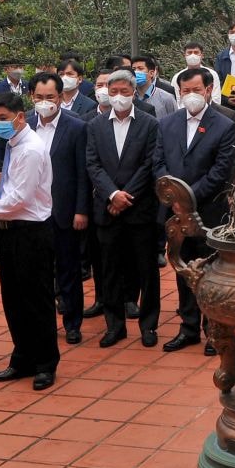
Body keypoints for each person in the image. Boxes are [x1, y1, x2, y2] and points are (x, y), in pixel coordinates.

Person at [0, 94, 59, 390]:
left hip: (31, 232)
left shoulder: (32, 149)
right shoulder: (14, 146)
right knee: (13, 298)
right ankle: (22, 357)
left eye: (3, 117)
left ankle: (46, 363)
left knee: (37, 300)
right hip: (10, 230)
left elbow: (20, 198)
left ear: (20, 116)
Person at [155, 67, 235, 354]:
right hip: (175, 212)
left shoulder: (224, 124)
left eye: (196, 89)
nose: (191, 95)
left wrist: (188, 198)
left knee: (211, 270)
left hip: (208, 211)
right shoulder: (167, 124)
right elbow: (158, 164)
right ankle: (188, 327)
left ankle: (214, 330)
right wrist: (173, 198)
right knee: (183, 268)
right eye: (185, 90)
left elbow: (220, 172)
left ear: (208, 90)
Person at [86, 69, 161, 347]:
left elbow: (150, 164)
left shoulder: (150, 124)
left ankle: (149, 325)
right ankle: (114, 325)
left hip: (139, 209)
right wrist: (112, 194)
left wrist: (126, 195)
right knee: (109, 270)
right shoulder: (95, 125)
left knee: (146, 270)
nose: (118, 97)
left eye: (124, 92)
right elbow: (92, 164)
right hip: (107, 209)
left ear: (134, 93)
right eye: (113, 91)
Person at [23, 73, 90, 346]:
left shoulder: (76, 127)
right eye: (39, 97)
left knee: (69, 271)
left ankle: (72, 323)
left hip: (64, 211)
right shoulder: (23, 126)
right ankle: (43, 322)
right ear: (31, 97)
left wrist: (81, 210)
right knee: (37, 273)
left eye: (50, 97)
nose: (44, 102)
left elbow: (83, 173)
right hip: (31, 214)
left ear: (61, 97)